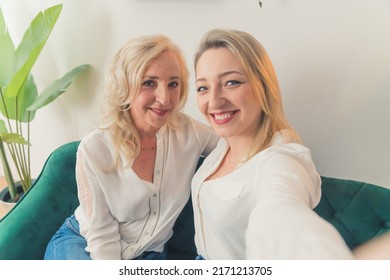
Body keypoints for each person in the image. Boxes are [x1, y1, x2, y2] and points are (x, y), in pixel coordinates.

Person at [44, 34, 219, 260]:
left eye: (173, 84)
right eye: (149, 83)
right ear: (125, 85)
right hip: (83, 243)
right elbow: (101, 236)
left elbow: (239, 146)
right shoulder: (95, 149)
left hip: (151, 255)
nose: (165, 98)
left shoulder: (190, 132)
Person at [191, 28, 356, 259]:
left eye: (231, 82)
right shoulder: (222, 146)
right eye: (203, 88)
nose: (214, 101)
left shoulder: (281, 158)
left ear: (263, 86)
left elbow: (282, 212)